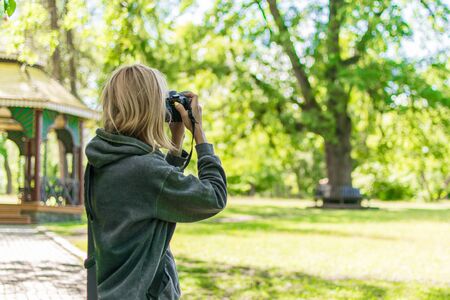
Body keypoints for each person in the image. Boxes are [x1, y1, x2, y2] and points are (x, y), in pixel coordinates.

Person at [84, 64, 227, 299]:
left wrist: (176, 140)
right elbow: (214, 196)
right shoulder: (145, 171)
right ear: (149, 108)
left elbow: (149, 198)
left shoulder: (103, 161)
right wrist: (199, 134)